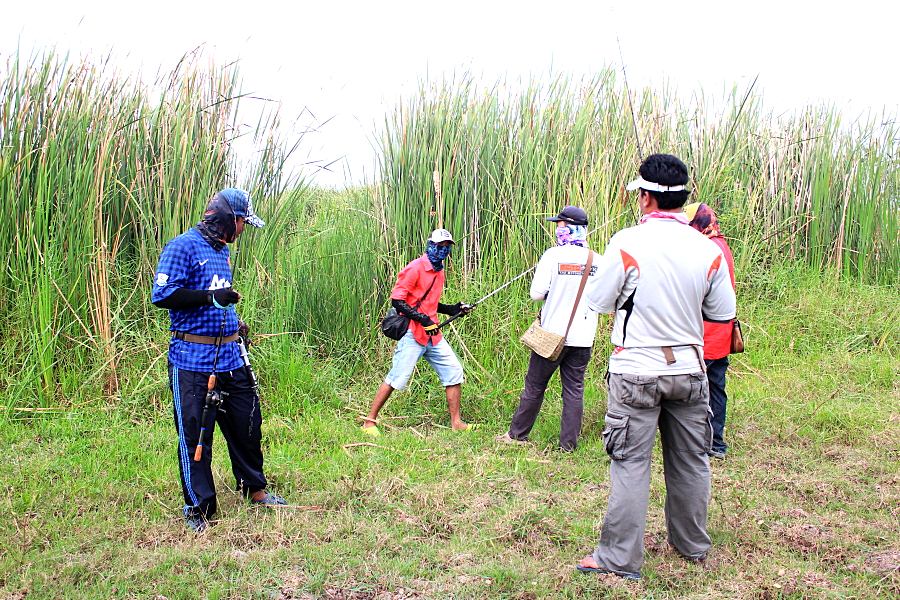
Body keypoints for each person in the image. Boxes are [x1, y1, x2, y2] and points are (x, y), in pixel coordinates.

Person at [575, 154, 736, 579]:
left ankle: (618, 559)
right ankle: (692, 546)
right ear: (683, 199)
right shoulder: (708, 248)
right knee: (691, 460)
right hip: (689, 369)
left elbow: (598, 301)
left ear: (645, 198)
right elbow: (722, 314)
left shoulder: (626, 242)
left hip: (636, 370)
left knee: (630, 463)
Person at [152, 188, 286, 533]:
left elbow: (220, 298)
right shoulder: (181, 247)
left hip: (230, 354)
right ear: (227, 218)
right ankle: (199, 509)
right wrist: (212, 297)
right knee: (196, 435)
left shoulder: (222, 252)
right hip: (193, 359)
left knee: (247, 424)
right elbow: (163, 296)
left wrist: (234, 321)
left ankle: (254, 489)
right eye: (241, 222)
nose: (242, 230)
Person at [496, 206, 601, 451]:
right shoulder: (598, 260)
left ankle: (517, 435)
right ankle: (568, 445)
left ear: (567, 227)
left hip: (552, 336)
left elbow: (536, 294)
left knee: (534, 386)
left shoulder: (553, 256)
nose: (557, 228)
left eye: (560, 224)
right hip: (584, 337)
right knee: (574, 390)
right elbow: (603, 301)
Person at [361, 228, 474, 436]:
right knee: (398, 377)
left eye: (447, 247)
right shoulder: (414, 268)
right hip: (413, 333)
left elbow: (429, 302)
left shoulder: (439, 271)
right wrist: (422, 319)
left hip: (433, 335)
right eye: (439, 246)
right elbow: (398, 300)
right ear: (429, 246)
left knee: (454, 371)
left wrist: (453, 308)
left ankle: (456, 423)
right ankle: (369, 422)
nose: (443, 251)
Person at [685, 202, 736, 460]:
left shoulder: (706, 249)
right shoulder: (721, 245)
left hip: (707, 329)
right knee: (716, 386)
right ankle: (717, 442)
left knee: (698, 388)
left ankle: (702, 442)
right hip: (723, 329)